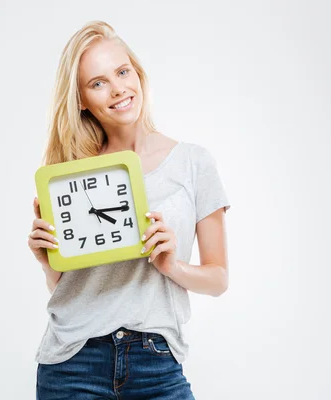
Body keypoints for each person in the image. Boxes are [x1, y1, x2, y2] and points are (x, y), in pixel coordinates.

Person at [28, 20, 231, 399]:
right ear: (81, 100)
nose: (118, 88)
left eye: (122, 72)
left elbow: (218, 279)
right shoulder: (72, 176)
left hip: (156, 362)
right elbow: (70, 288)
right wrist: (48, 262)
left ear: (138, 74)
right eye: (98, 82)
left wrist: (172, 265)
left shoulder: (192, 163)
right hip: (73, 363)